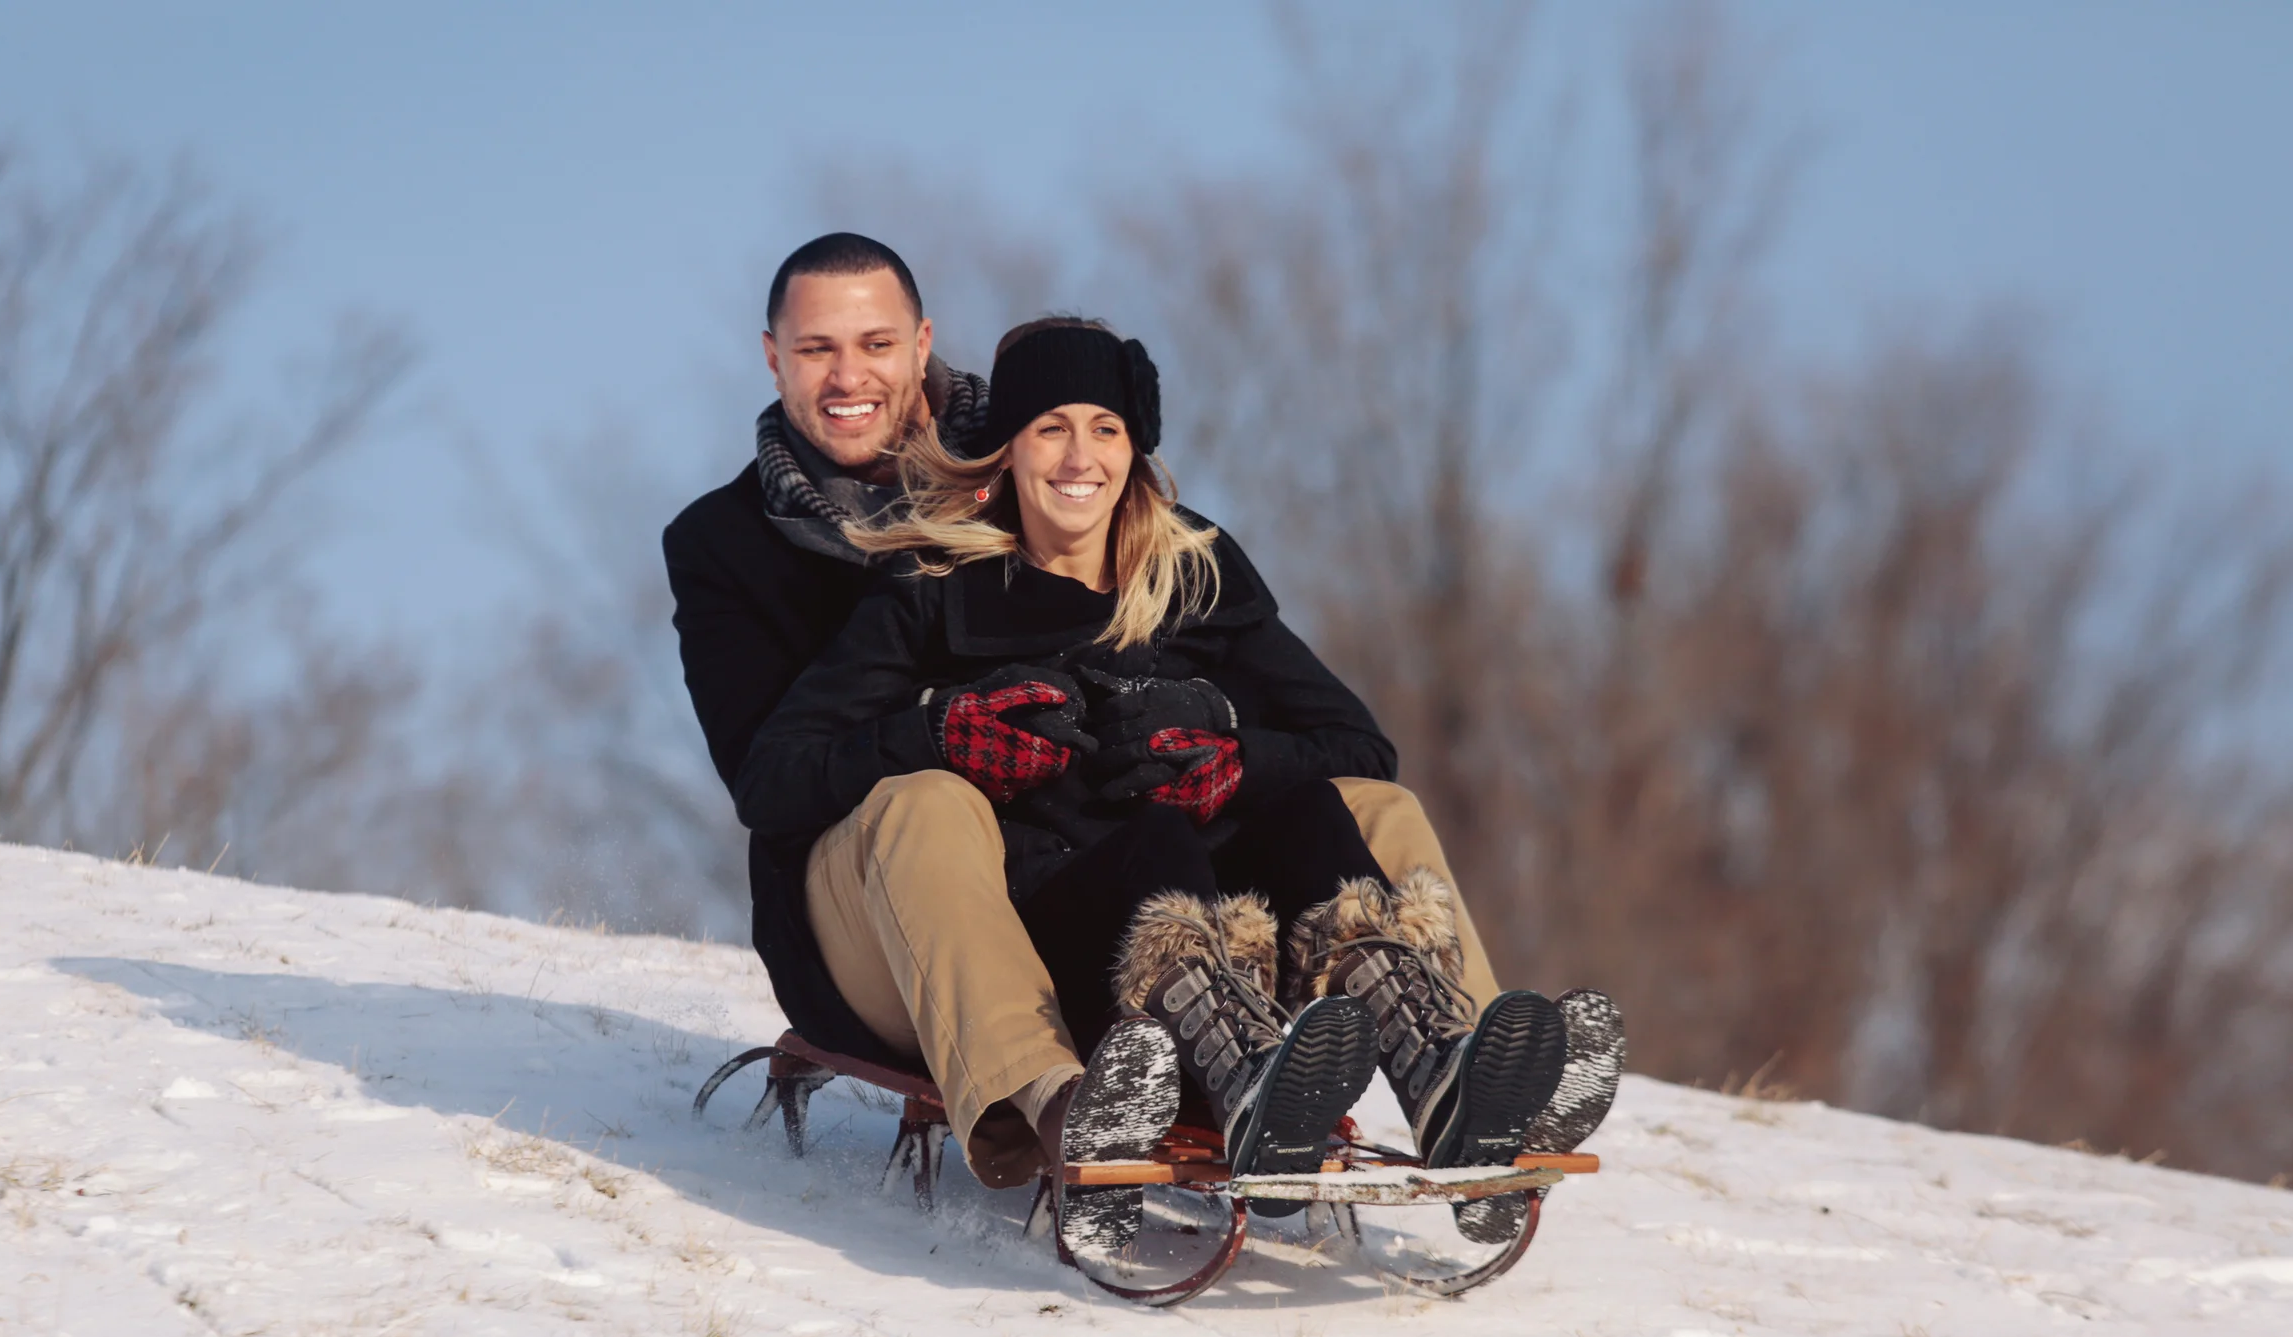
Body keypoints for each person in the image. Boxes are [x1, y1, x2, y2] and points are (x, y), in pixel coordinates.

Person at [662, 234, 1618, 1217]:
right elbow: (768, 776)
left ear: (923, 345)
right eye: (816, 348)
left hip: (1113, 871)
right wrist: (936, 730)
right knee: (933, 802)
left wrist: (1230, 745)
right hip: (876, 896)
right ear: (773, 356)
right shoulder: (828, 564)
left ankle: (1468, 1068)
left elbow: (1349, 737)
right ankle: (1055, 1101)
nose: (848, 374)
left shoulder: (1149, 549)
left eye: (874, 343)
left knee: (1361, 805)